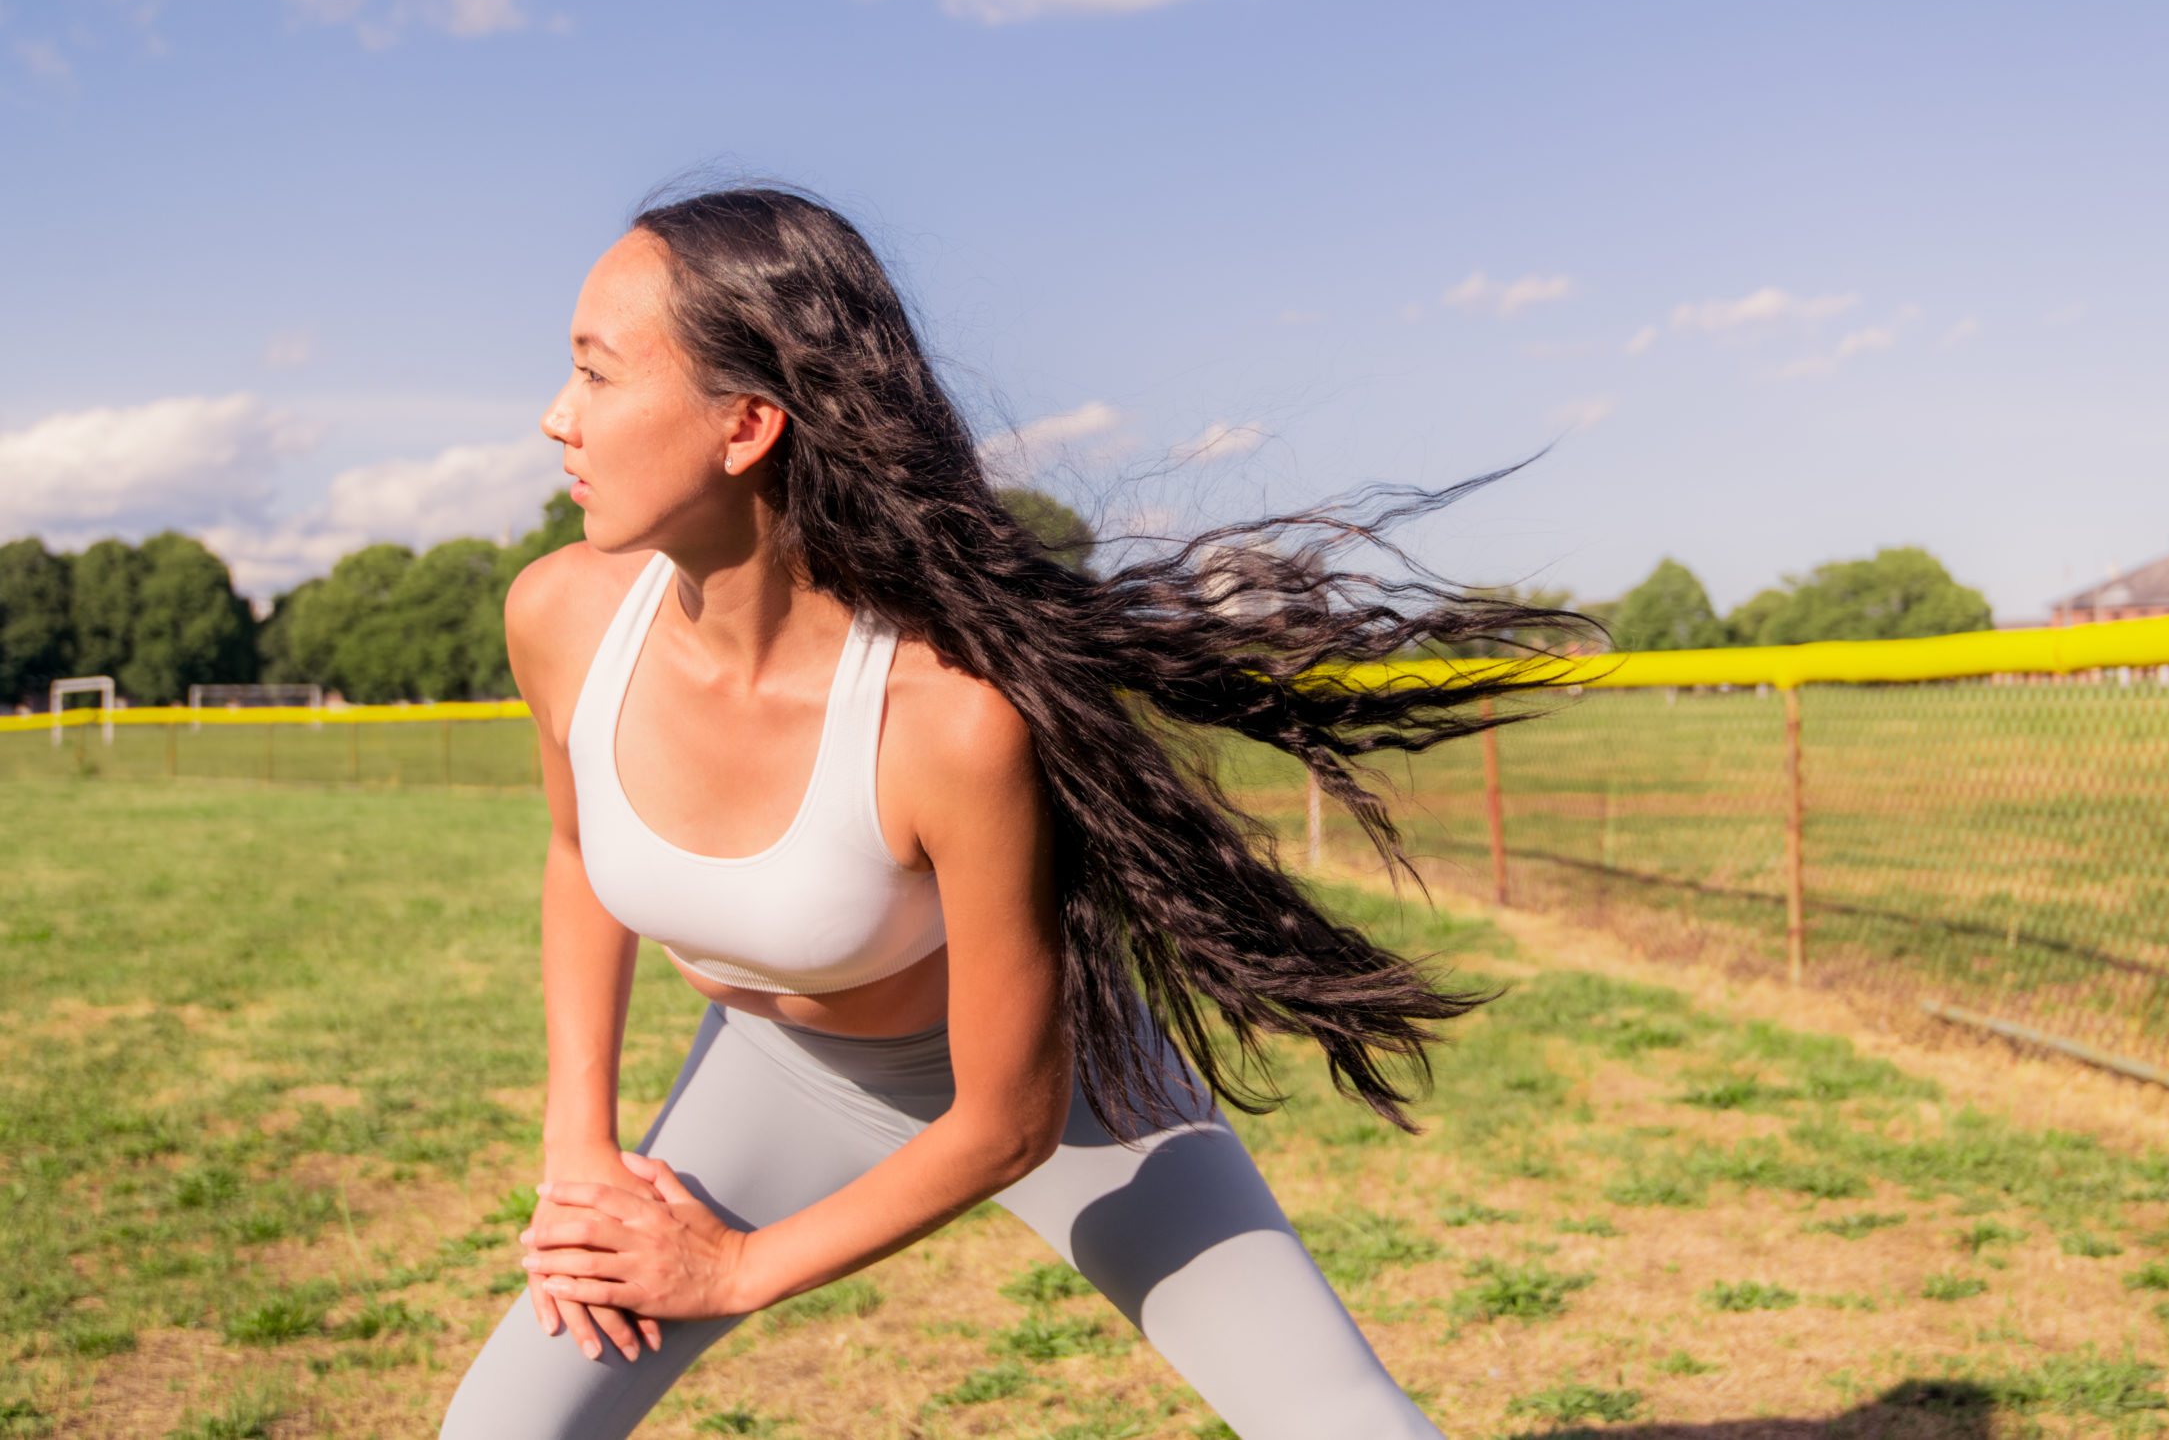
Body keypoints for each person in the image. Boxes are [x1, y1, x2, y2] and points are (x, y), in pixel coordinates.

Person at [440, 186, 1575, 1439]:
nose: (557, 418)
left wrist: (733, 1270)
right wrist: (578, 1149)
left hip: (1062, 1083)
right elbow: (574, 855)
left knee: (1342, 1423)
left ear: (745, 424)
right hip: (767, 1071)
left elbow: (1008, 1120)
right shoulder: (560, 616)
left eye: (596, 374)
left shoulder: (947, 721)